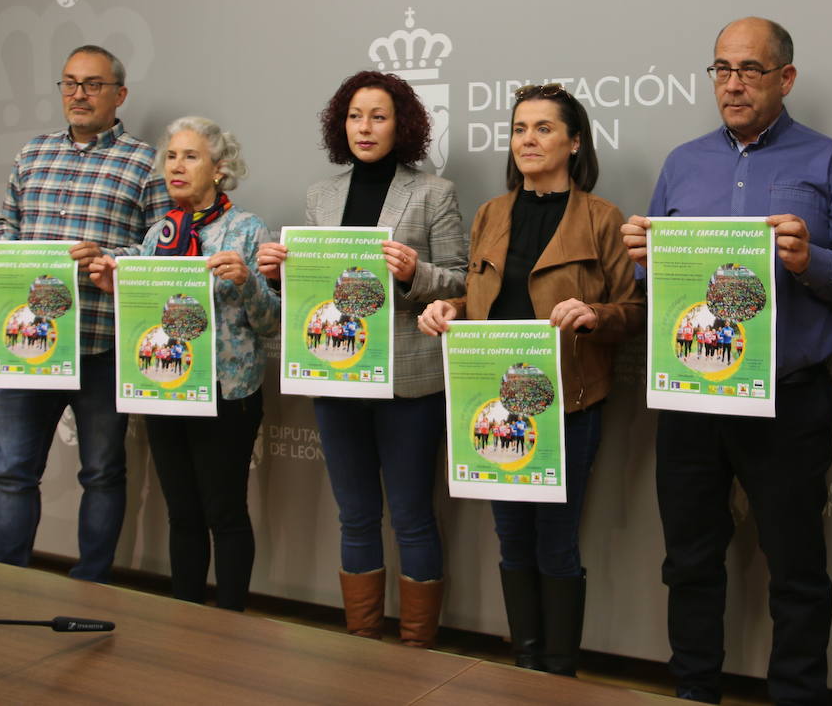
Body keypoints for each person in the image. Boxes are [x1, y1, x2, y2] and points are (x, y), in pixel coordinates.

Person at [621, 17, 832, 704]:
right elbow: (655, 284)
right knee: (688, 561)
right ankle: (694, 690)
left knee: (796, 568)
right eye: (721, 70)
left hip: (788, 399)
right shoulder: (681, 163)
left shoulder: (831, 162)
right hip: (691, 395)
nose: (733, 84)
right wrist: (644, 262)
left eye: (750, 70)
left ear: (785, 79)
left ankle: (797, 695)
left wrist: (811, 260)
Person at [418, 83, 644, 677]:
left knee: (556, 543)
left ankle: (559, 674)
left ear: (574, 142)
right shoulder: (491, 213)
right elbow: (480, 298)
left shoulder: (602, 218)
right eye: (520, 128)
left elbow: (635, 311)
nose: (528, 139)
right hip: (493, 404)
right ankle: (525, 664)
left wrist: (597, 316)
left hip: (570, 404)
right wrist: (450, 309)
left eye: (544, 128)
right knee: (511, 539)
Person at [256, 71, 467, 646]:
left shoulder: (433, 192)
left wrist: (413, 273)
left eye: (378, 116)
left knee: (411, 515)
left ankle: (417, 648)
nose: (365, 127)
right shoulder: (320, 195)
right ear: (339, 124)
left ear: (402, 124)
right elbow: (315, 292)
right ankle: (362, 642)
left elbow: (462, 283)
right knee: (354, 515)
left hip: (409, 378)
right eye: (354, 116)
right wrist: (280, 273)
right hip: (337, 371)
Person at [0, 45, 168, 581]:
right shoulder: (32, 153)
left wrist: (112, 259)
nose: (79, 94)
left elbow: (164, 250)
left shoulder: (146, 161)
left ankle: (92, 586)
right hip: (27, 345)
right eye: (70, 83)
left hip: (100, 344)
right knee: (12, 472)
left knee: (102, 473)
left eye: (93, 84)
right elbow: (5, 225)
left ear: (119, 94)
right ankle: (2, 583)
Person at [90, 117, 278, 611]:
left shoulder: (247, 229)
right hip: (165, 387)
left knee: (225, 513)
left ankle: (231, 620)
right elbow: (147, 318)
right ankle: (186, 618)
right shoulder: (157, 235)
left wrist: (247, 281)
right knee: (182, 515)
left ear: (219, 169)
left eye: (190, 156)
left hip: (226, 392)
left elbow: (271, 323)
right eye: (172, 156)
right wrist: (118, 290)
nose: (177, 165)